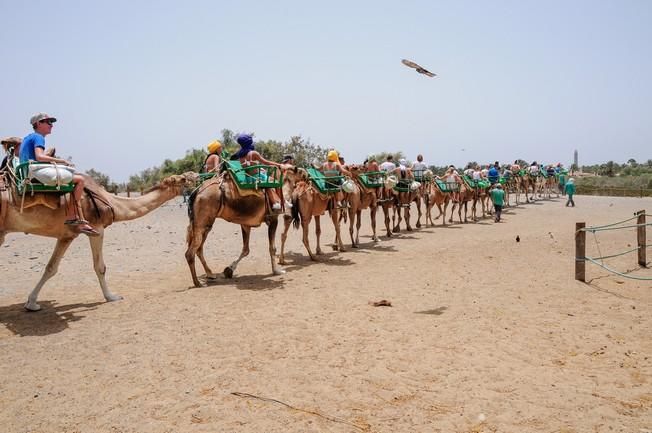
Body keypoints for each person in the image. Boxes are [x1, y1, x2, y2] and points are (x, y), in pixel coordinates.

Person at [19, 113, 99, 236]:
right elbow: (39, 157)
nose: (51, 125)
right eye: (48, 122)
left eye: (52, 123)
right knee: (80, 180)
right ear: (39, 124)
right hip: (35, 172)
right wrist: (62, 161)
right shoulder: (38, 137)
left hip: (29, 172)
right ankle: (72, 215)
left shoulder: (27, 138)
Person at [230, 133, 290, 213]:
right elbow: (266, 162)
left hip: (248, 179)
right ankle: (279, 202)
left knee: (267, 181)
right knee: (275, 182)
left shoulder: (240, 156)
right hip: (257, 178)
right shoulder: (253, 153)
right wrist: (280, 165)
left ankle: (278, 202)